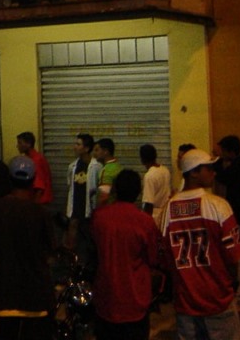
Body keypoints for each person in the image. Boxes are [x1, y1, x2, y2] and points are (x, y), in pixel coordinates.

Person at [162, 148, 240, 340]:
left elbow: (164, 258)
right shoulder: (218, 206)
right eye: (208, 168)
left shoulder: (168, 209)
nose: (213, 173)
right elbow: (233, 256)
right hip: (218, 298)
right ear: (194, 172)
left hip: (185, 301)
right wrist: (232, 284)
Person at [0, 154, 54, 340]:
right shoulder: (41, 213)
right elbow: (49, 250)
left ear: (10, 179)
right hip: (35, 292)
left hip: (6, 289)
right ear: (33, 180)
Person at [91, 169, 160, 340]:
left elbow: (94, 252)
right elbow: (153, 258)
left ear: (115, 189)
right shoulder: (145, 221)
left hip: (106, 297)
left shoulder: (99, 217)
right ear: (138, 192)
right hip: (135, 300)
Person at [214, 134, 240, 309]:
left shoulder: (238, 166)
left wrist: (216, 163)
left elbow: (222, 177)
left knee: (239, 257)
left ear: (230, 151)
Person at [64, 133, 101, 266]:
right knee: (72, 238)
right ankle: (73, 265)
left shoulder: (96, 167)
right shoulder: (72, 166)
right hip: (75, 209)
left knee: (90, 240)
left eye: (78, 144)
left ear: (86, 148)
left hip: (90, 210)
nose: (75, 147)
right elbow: (70, 186)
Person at [139, 143, 171, 231]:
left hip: (154, 216)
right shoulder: (165, 170)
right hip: (165, 214)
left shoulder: (149, 176)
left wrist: (145, 223)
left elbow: (148, 203)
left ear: (142, 159)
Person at [16, 131, 53, 206]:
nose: (17, 146)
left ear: (28, 144)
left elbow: (39, 186)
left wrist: (34, 206)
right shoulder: (29, 159)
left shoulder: (36, 160)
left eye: (20, 143)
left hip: (39, 201)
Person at [94, 138, 123, 206]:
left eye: (97, 150)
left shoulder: (106, 171)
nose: (95, 153)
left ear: (105, 151)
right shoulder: (118, 167)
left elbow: (104, 196)